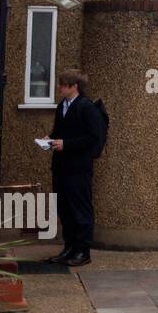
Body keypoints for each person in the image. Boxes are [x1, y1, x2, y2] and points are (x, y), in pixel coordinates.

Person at [46, 69, 103, 267]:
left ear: (74, 86)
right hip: (61, 167)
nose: (60, 87)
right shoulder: (62, 105)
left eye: (63, 84)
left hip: (78, 168)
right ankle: (69, 247)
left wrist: (66, 144)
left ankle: (82, 251)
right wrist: (50, 139)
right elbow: (59, 131)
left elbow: (92, 137)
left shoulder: (86, 107)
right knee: (65, 209)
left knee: (80, 210)